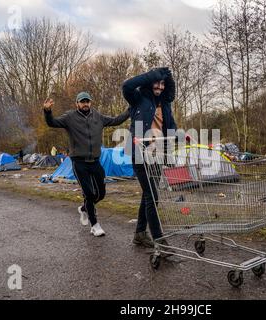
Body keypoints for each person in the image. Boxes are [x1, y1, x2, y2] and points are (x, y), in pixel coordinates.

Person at [43, 91, 130, 237]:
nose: (85, 104)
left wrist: (130, 109)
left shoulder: (98, 116)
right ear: (77, 103)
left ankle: (84, 209)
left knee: (101, 194)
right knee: (89, 194)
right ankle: (95, 225)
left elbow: (117, 120)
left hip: (95, 161)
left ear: (90, 102)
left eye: (87, 101)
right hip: (79, 162)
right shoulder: (70, 117)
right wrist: (47, 111)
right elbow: (52, 122)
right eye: (82, 101)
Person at [122, 67, 177, 251]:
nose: (159, 87)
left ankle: (139, 234)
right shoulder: (138, 98)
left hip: (158, 154)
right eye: (157, 82)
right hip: (139, 153)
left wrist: (176, 137)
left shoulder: (165, 104)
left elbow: (170, 126)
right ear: (150, 81)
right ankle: (159, 240)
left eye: (162, 84)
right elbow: (126, 86)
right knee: (152, 196)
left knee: (150, 195)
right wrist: (152, 74)